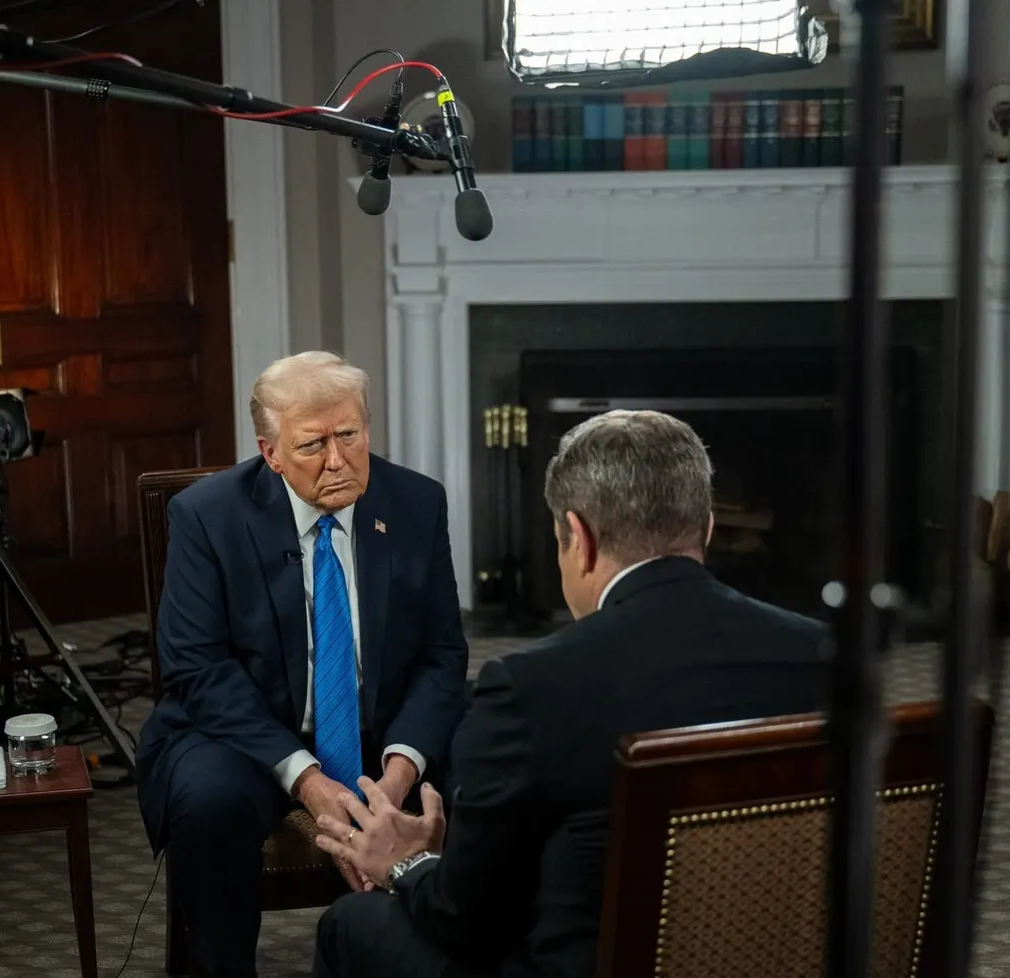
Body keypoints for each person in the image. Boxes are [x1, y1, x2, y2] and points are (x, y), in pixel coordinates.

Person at [311, 409, 830, 978]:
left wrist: (407, 865)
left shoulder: (528, 686)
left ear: (578, 538)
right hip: (780, 953)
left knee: (350, 922)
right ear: (706, 528)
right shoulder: (825, 655)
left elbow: (467, 922)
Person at [134, 351, 470, 978]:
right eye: (313, 444)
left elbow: (442, 655)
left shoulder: (417, 501)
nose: (337, 459)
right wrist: (309, 783)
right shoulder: (207, 516)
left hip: (385, 727)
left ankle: (456, 956)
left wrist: (398, 776)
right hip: (250, 733)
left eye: (350, 435)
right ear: (271, 452)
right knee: (208, 800)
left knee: (490, 768)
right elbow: (198, 668)